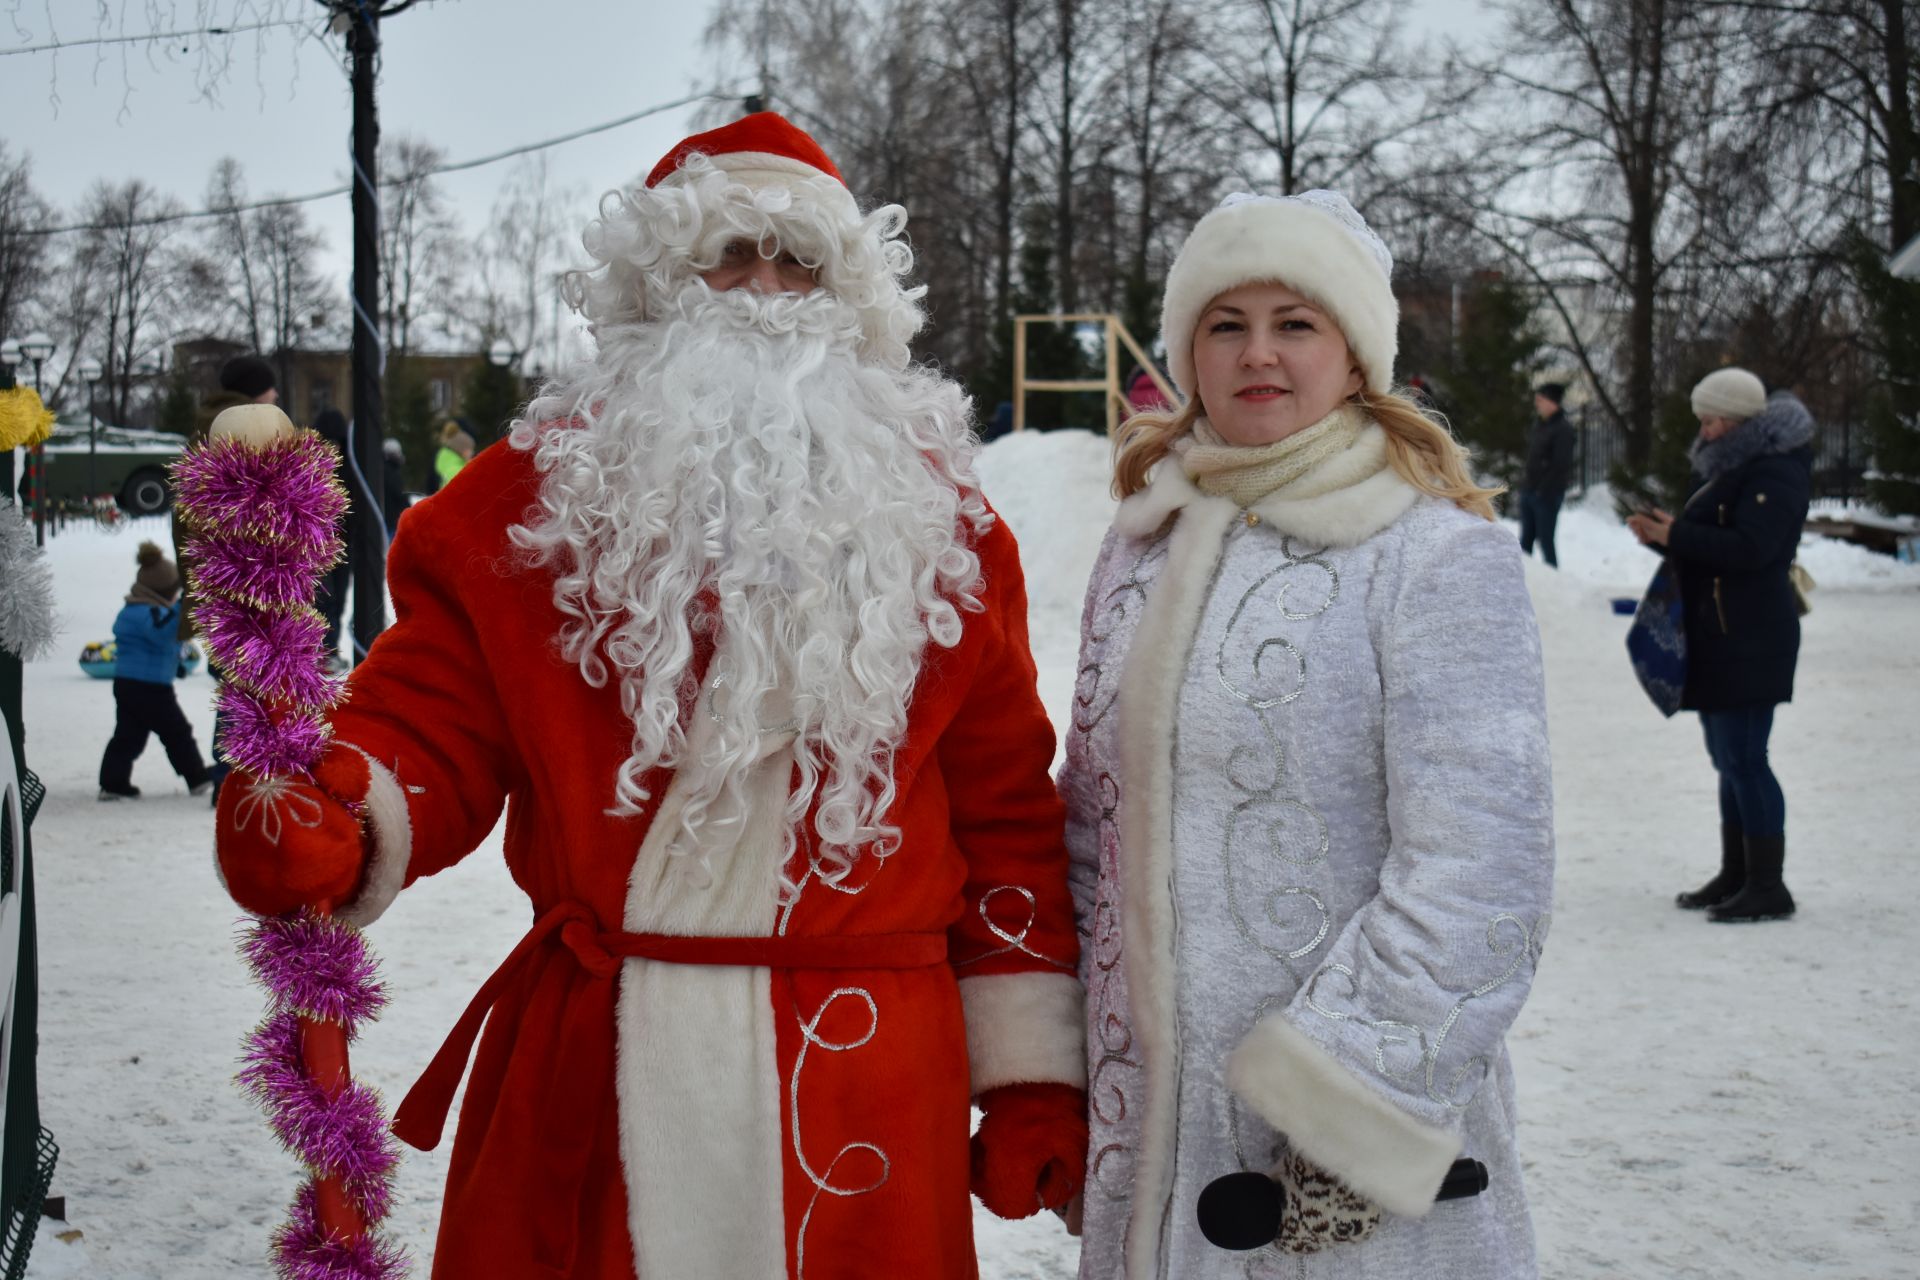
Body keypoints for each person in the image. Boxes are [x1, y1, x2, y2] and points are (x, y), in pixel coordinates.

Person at [210, 112, 1087, 1279]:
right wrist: (342, 807)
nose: (764, 288)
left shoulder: (945, 525)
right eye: (729, 253)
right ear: (657, 283)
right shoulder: (524, 501)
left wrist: (1030, 1074)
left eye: (799, 260)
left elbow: (1006, 811)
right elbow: (427, 715)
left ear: (850, 296)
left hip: (861, 1083)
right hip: (599, 1068)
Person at [1060, 189, 1554, 1276]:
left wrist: (1340, 1100)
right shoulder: (1139, 551)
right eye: (1226, 323)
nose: (1259, 355)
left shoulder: (1430, 556)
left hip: (1342, 1154)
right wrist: (1072, 1070)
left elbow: (1483, 872)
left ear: (1356, 351)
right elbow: (1091, 830)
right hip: (1150, 1138)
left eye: (1297, 322)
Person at [1627, 368, 1811, 924]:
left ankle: (1767, 885)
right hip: (1720, 632)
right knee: (1726, 758)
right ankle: (1737, 873)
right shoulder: (1729, 465)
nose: (1703, 431)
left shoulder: (1774, 472)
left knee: (1747, 758)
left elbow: (1754, 549)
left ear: (1737, 420)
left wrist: (1675, 535)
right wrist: (1667, 535)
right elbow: (1714, 549)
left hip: (1752, 635)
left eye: (1711, 421)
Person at [177, 352, 282, 801]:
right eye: (270, 387)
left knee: (240, 676)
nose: (276, 394)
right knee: (251, 677)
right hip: (246, 573)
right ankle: (232, 775)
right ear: (255, 392)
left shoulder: (205, 431)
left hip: (216, 573)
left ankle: (235, 771)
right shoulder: (244, 433)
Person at [97, 542, 212, 800]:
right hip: (148, 687)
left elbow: (155, 647)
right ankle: (197, 777)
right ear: (162, 590)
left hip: (132, 684)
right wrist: (181, 606)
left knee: (129, 735)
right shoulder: (145, 612)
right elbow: (161, 636)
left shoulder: (139, 610)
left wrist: (177, 666)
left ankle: (113, 783)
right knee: (176, 731)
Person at [310, 408, 353, 673]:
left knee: (336, 601)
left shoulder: (348, 468)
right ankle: (320, 652)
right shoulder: (310, 469)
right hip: (316, 549)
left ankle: (330, 650)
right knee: (323, 601)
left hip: (341, 548)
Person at [1517, 381, 1575, 567]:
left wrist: (1543, 491)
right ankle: (1522, 579)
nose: (1537, 404)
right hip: (1529, 490)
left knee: (1546, 541)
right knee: (1525, 541)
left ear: (1552, 402)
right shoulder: (1540, 425)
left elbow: (1560, 465)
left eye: (1540, 400)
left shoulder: (1563, 430)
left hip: (1546, 495)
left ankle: (1553, 582)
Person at [428, 418, 476, 493]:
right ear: (461, 448)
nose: (472, 452)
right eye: (469, 448)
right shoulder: (457, 470)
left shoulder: (441, 457)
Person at [381, 435, 409, 537]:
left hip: (385, 518)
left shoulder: (380, 470)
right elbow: (399, 495)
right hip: (392, 520)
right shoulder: (392, 473)